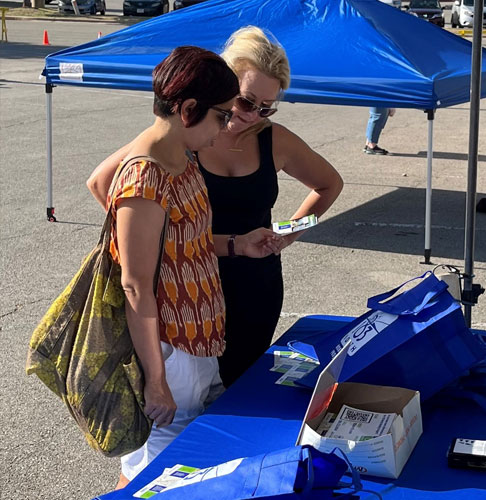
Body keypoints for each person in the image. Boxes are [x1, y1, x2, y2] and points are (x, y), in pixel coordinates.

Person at [87, 27, 344, 389]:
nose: (253, 115)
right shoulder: (187, 131)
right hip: (189, 288)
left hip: (255, 286)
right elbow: (103, 183)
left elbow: (330, 184)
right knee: (186, 403)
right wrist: (152, 242)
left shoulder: (275, 139)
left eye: (265, 107)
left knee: (243, 394)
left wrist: (289, 233)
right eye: (245, 101)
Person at [105, 46, 239, 488]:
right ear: (186, 110)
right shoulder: (146, 176)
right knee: (154, 478)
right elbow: (136, 286)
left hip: (197, 345)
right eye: (221, 116)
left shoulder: (181, 159)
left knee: (183, 468)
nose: (223, 130)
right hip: (169, 353)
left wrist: (239, 246)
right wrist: (156, 380)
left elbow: (189, 244)